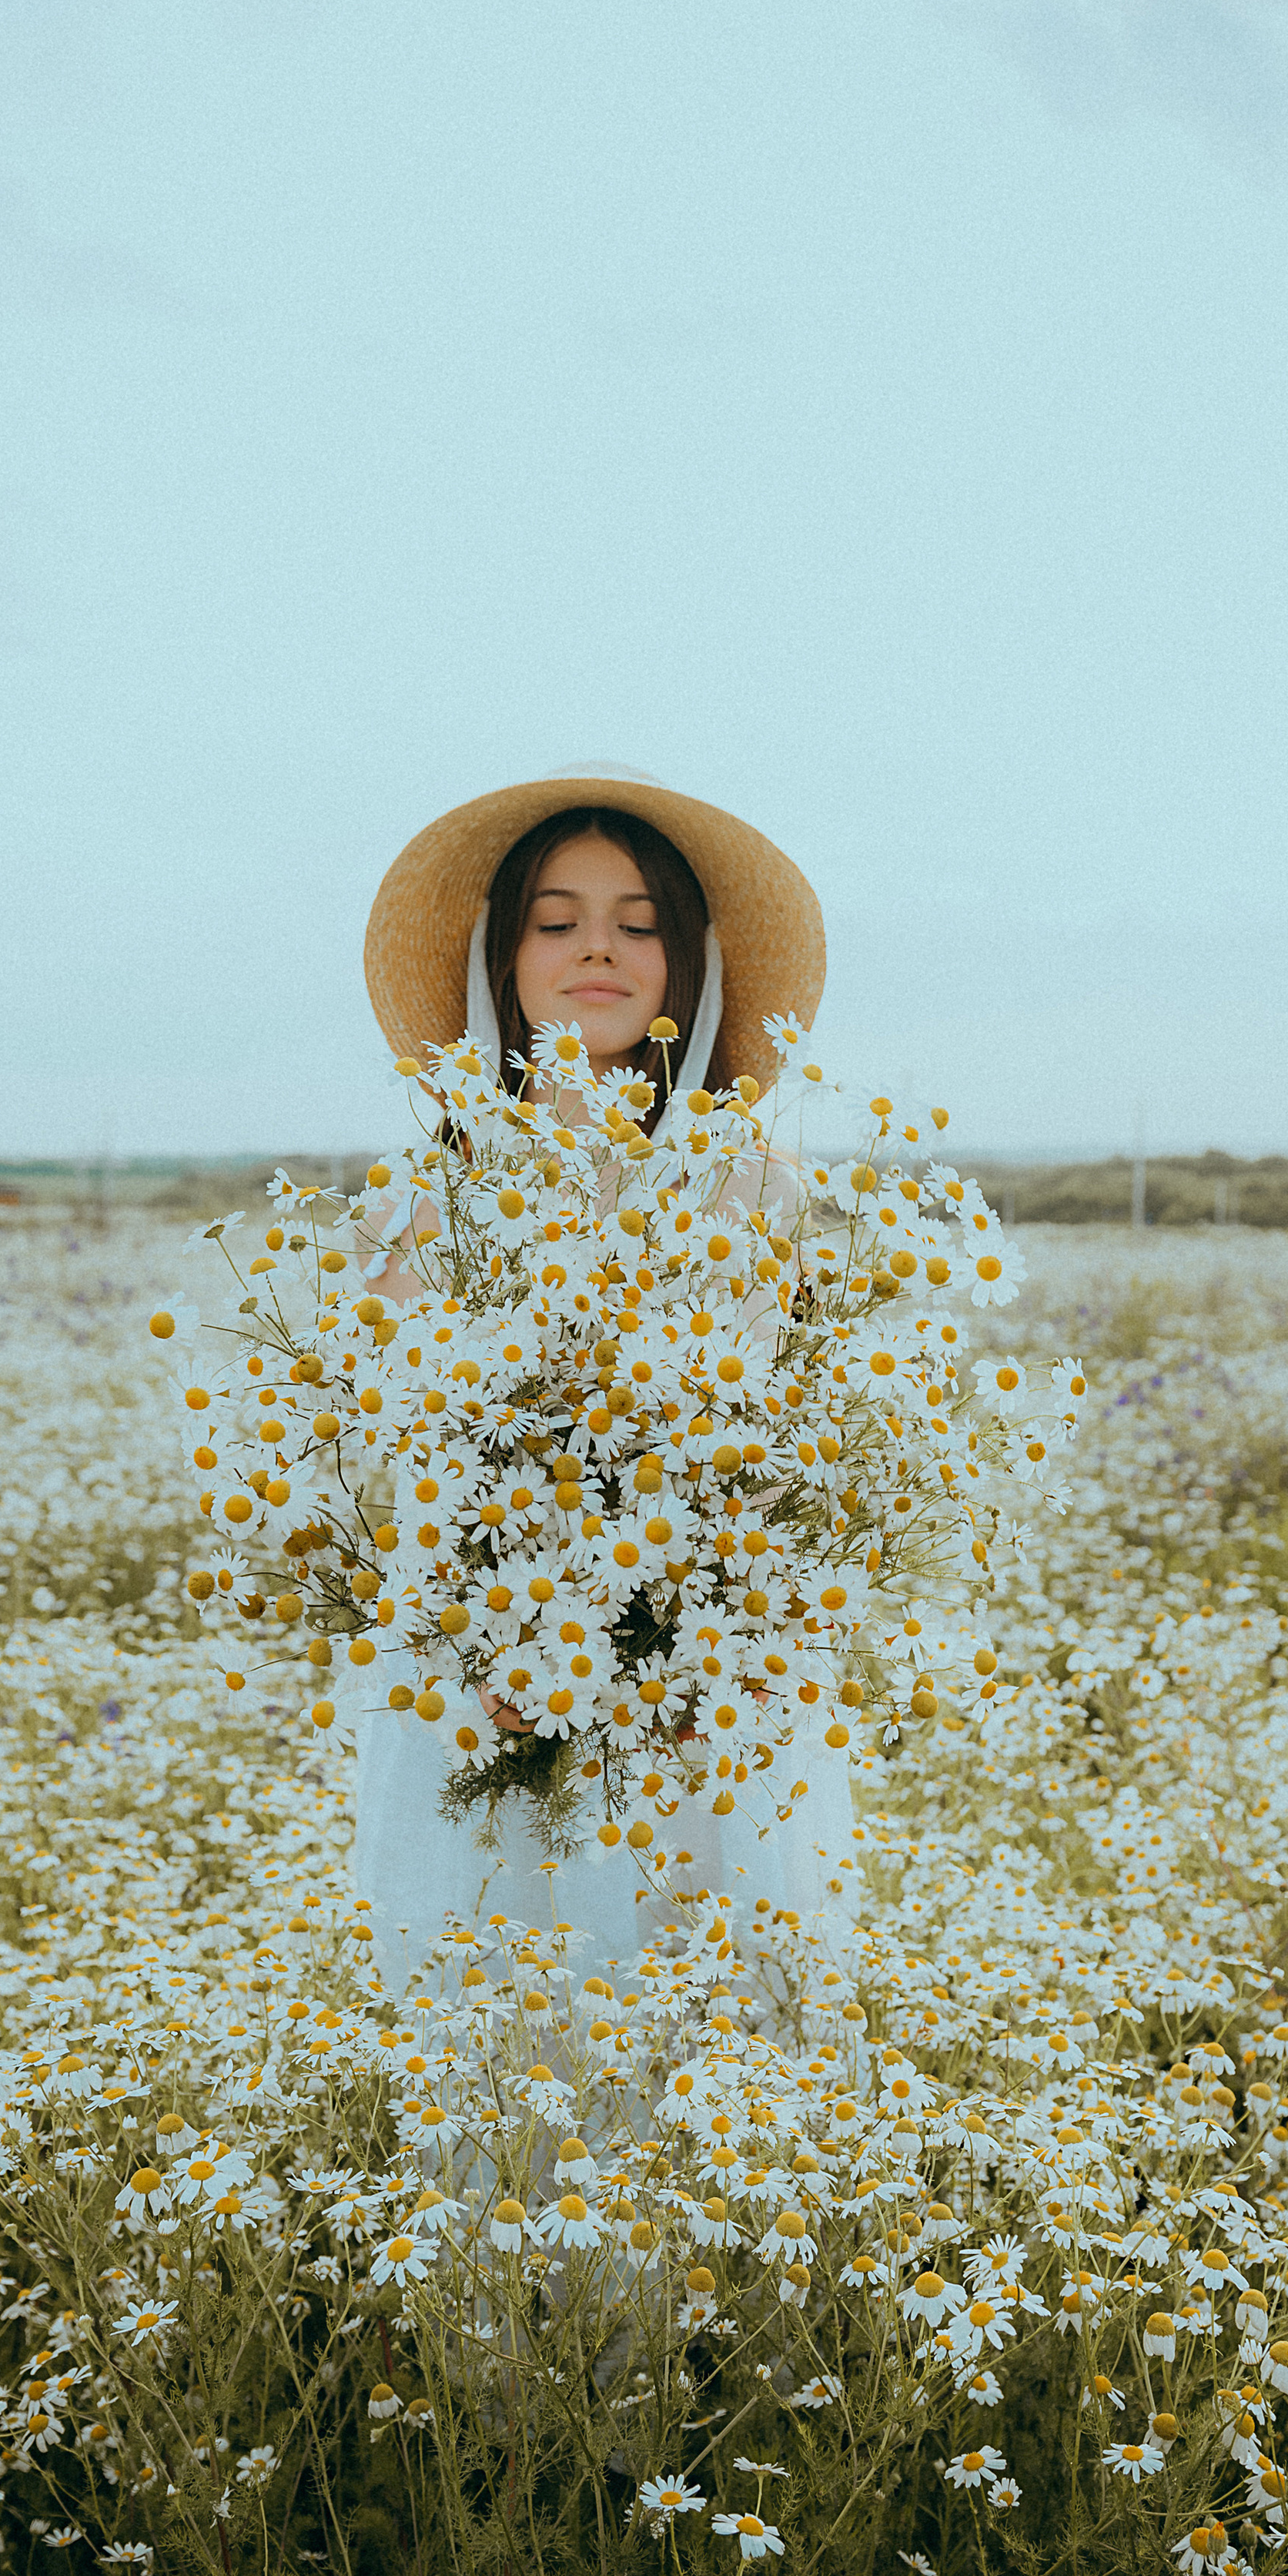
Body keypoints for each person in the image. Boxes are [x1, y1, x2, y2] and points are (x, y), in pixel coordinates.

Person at [351, 766, 861, 1997]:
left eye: (639, 924)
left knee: (716, 2028)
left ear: (690, 964)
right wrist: (489, 1654)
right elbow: (376, 1471)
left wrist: (721, 1652)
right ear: (500, 956)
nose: (599, 950)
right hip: (481, 1700)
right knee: (503, 2031)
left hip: (710, 1714)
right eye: (557, 919)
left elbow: (807, 1462)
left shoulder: (763, 1191)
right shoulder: (420, 1202)